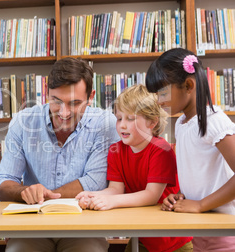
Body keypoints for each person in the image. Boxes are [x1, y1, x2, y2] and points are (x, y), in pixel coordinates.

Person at [0, 57, 120, 252]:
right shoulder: (23, 121)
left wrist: (46, 197)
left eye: (75, 103)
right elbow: (3, 184)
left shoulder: (106, 124)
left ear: (91, 96)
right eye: (57, 101)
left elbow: (95, 182)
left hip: (84, 227)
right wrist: (23, 192)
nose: (64, 112)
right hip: (32, 226)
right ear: (46, 93)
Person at [76, 84, 193, 252]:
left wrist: (111, 201)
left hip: (173, 241)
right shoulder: (115, 150)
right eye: (119, 118)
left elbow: (151, 196)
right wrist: (93, 195)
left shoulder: (161, 150)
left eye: (130, 119)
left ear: (152, 122)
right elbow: (115, 189)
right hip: (143, 236)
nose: (122, 125)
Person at [146, 48, 235, 251]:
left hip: (224, 232)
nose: (159, 101)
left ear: (188, 85)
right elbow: (198, 173)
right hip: (200, 230)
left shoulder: (214, 121)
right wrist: (179, 195)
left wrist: (201, 204)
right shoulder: (182, 123)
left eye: (162, 93)